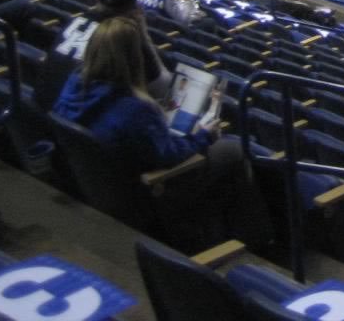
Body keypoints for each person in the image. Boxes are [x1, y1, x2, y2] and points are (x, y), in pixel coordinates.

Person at [51, 16, 267, 249]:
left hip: (101, 185)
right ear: (134, 58)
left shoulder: (73, 84)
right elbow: (168, 155)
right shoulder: (134, 109)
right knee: (233, 149)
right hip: (150, 191)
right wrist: (203, 135)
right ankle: (258, 238)